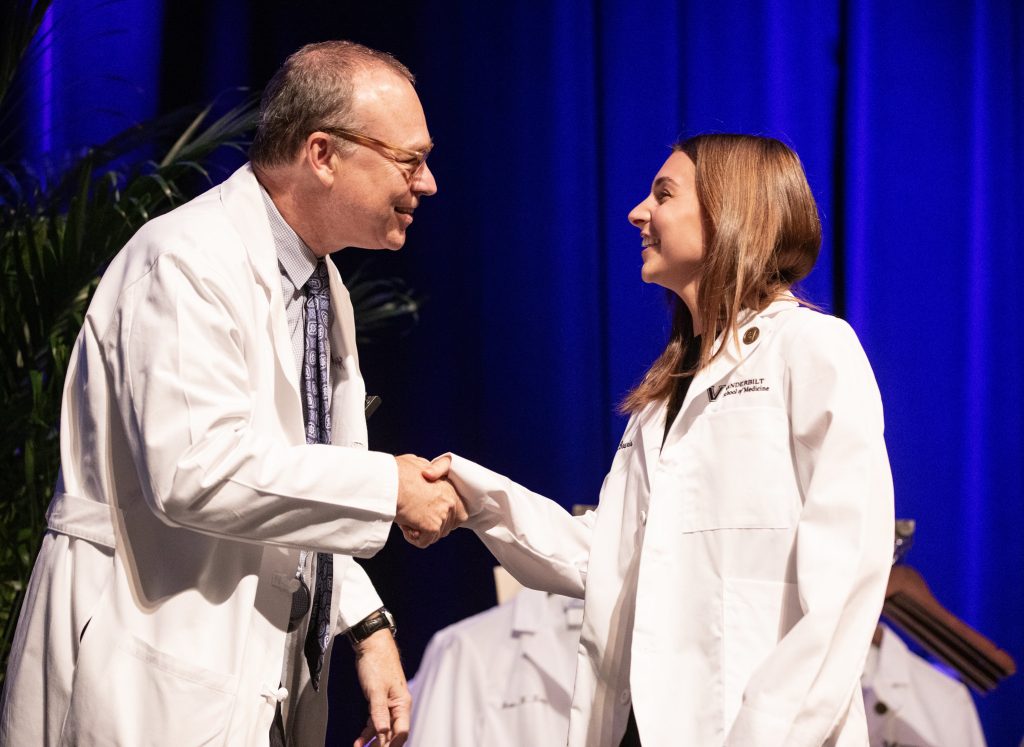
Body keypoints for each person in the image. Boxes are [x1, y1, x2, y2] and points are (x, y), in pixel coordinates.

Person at [0, 41, 464, 747]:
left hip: (252, 673)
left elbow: (301, 483)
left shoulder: (321, 286)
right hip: (150, 658)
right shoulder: (186, 260)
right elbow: (195, 471)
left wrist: (365, 624)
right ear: (323, 154)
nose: (426, 183)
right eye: (410, 159)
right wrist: (390, 485)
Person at [423, 134, 895, 746]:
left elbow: (848, 572)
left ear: (732, 210)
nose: (637, 212)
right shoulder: (664, 397)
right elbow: (608, 560)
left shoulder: (811, 348)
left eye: (663, 194)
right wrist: (474, 497)